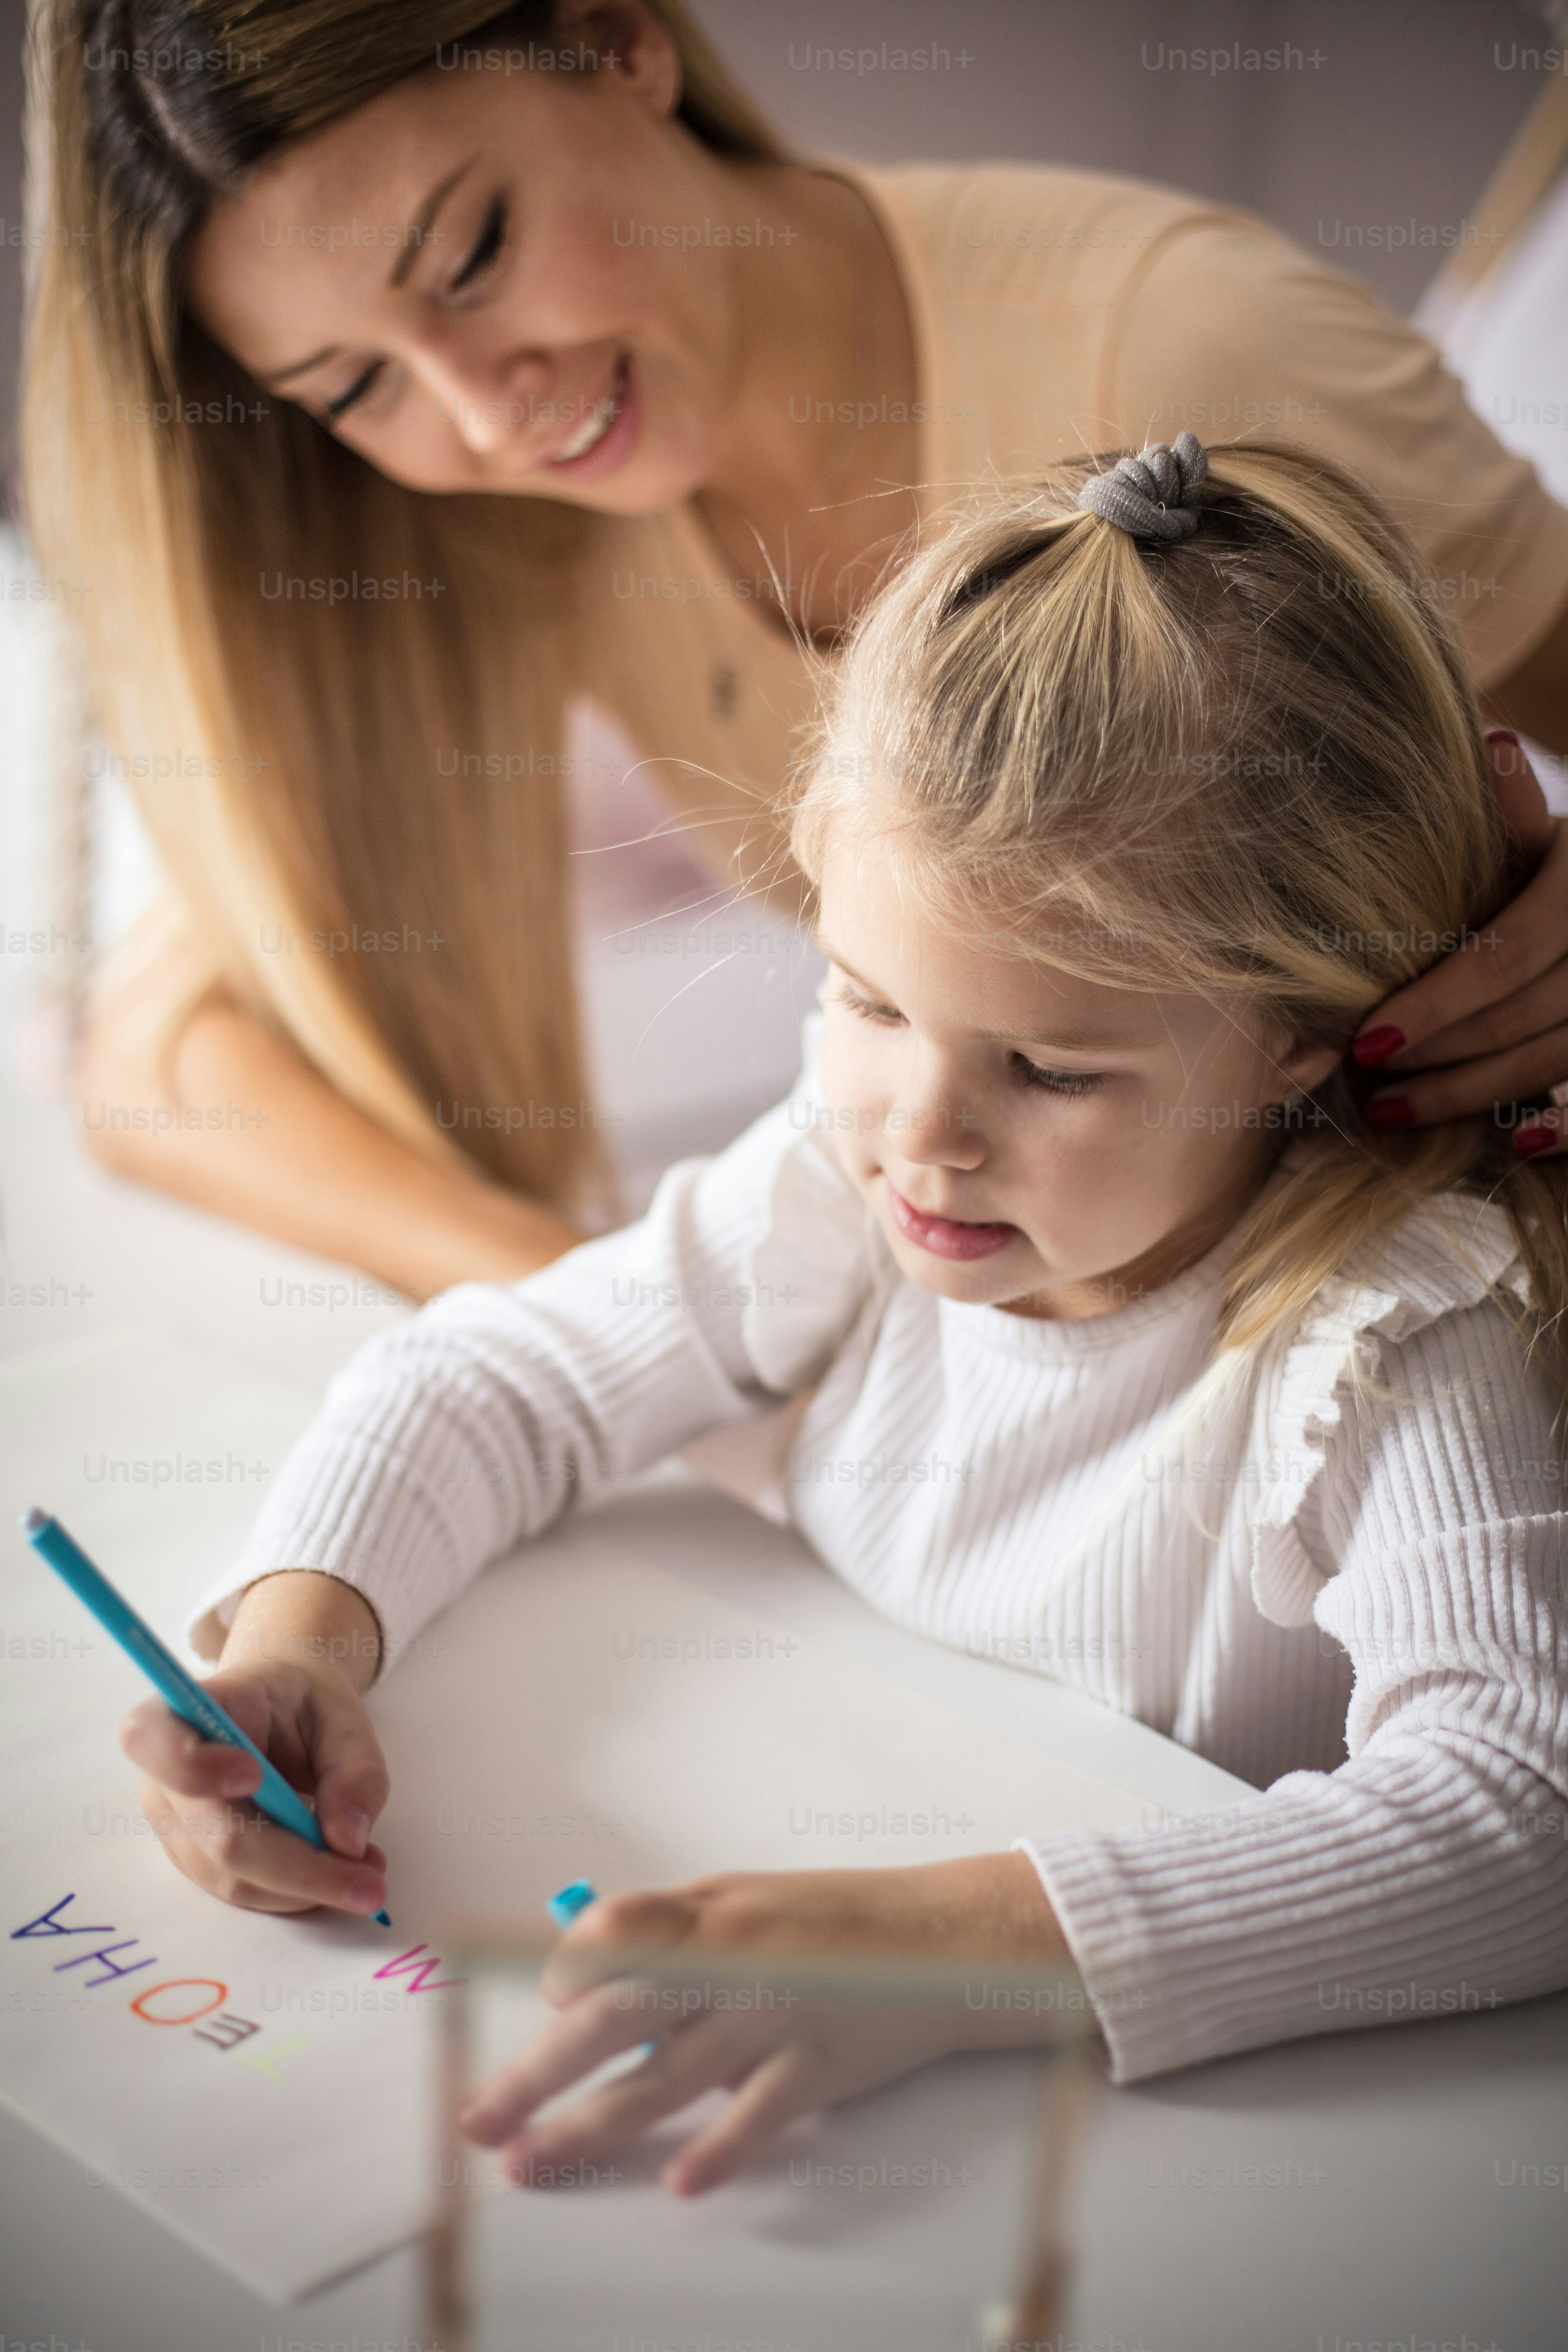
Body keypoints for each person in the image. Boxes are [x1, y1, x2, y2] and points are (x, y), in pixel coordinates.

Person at [123, 434, 1568, 2192]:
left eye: (1048, 1067)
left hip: (1155, 2154)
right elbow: (502, 1373)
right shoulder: (841, 1180)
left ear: (1298, 1038)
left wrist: (936, 1945)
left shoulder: (1386, 1330)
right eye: (864, 999)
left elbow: (1521, 1810)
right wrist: (298, 1641)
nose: (925, 1132)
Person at [24, 1, 1568, 1306]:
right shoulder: (526, 513)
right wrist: (603, 1324)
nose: (488, 412)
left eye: (477, 251)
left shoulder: (1188, 349)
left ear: (616, 43)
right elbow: (163, 1054)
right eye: (355, 386)